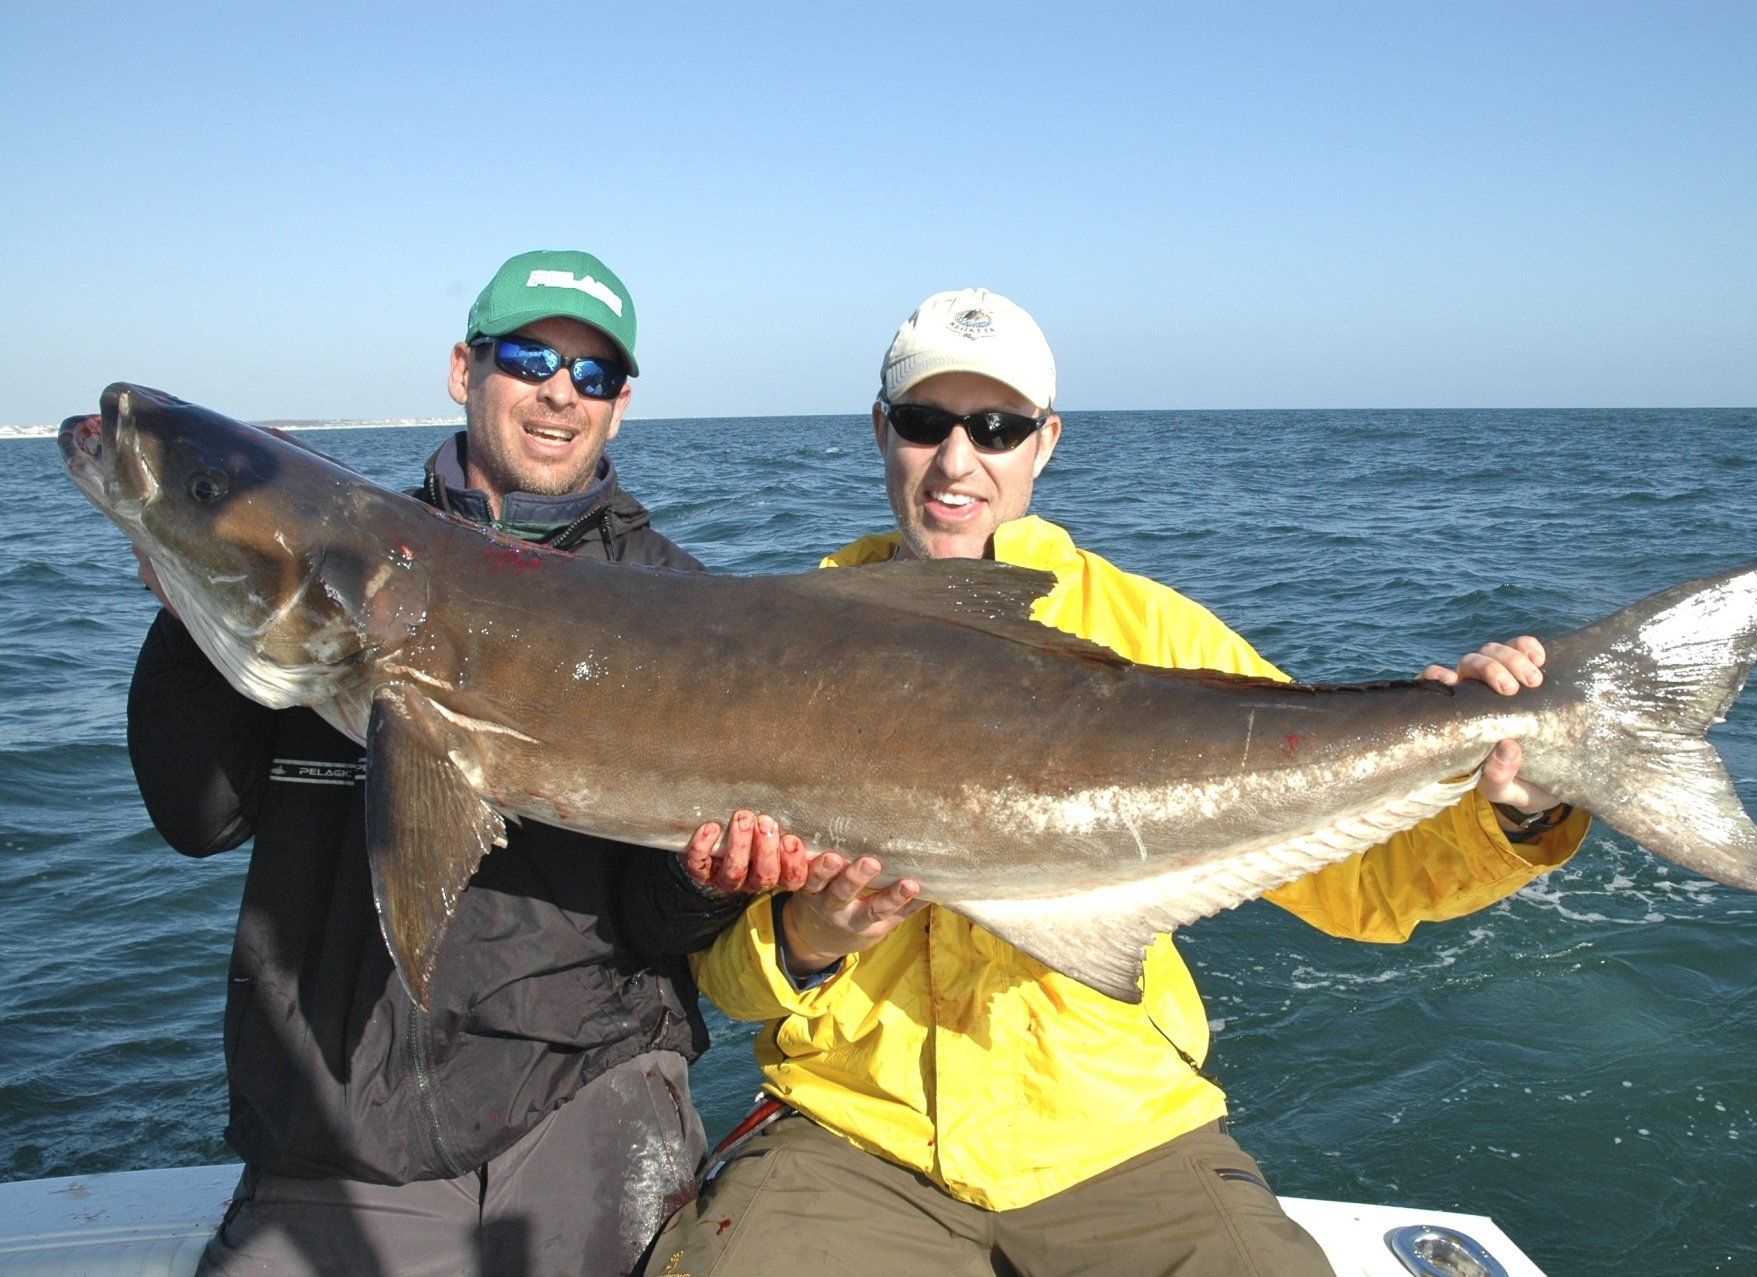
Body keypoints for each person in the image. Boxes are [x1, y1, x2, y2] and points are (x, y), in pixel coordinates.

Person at [646, 288, 1590, 1276]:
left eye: (998, 427)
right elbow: (726, 978)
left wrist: (1518, 807)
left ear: (1045, 441)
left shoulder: (1154, 632)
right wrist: (803, 942)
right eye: (926, 422)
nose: (958, 461)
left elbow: (1359, 881)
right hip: (853, 1126)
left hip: (1118, 1127)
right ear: (882, 429)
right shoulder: (779, 644)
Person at [127, 251, 793, 1277]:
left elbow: (655, 923)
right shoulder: (326, 558)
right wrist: (192, 611)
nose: (560, 390)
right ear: (463, 369)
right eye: (532, 356)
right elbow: (198, 817)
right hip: (337, 1117)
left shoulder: (685, 605)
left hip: (586, 1098)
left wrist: (705, 881)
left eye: (594, 373)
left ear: (620, 406)